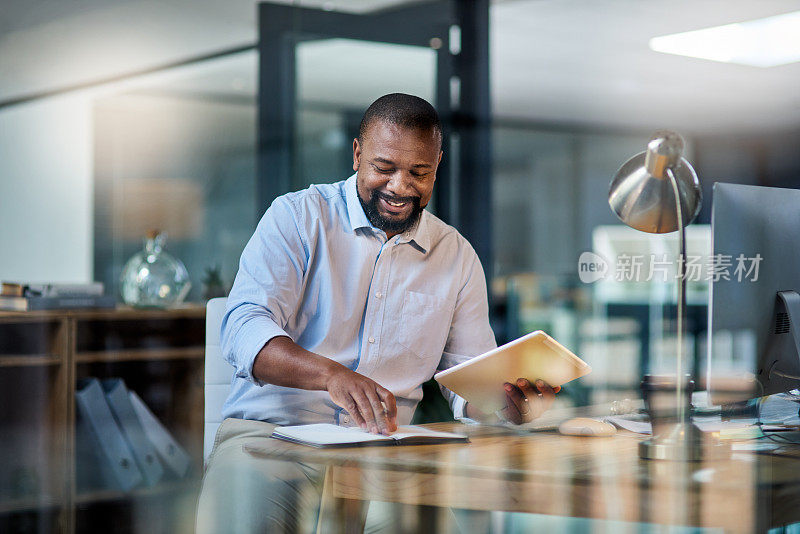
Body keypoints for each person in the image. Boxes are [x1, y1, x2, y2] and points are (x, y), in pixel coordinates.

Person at [196, 93, 558, 533]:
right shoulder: (297, 217)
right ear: (356, 154)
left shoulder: (456, 256)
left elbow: (469, 383)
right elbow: (243, 330)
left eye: (419, 172)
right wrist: (332, 375)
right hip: (269, 438)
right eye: (384, 168)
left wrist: (503, 404)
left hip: (384, 451)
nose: (401, 187)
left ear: (437, 165)